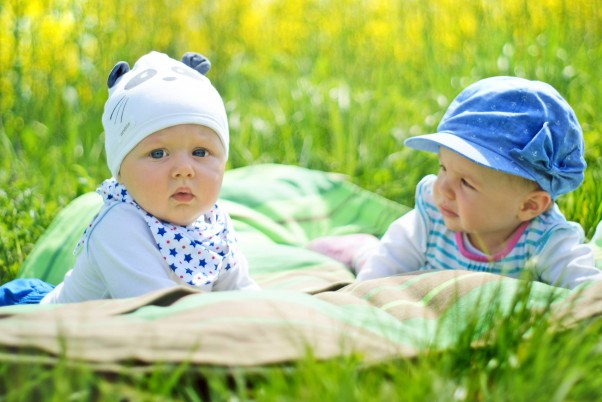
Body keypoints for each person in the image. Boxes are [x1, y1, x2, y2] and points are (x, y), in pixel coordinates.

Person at [1, 51, 258, 305]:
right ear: (120, 172)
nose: (183, 169)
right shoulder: (118, 226)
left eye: (200, 152)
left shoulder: (214, 224)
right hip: (35, 314)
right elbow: (160, 310)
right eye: (158, 153)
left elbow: (243, 293)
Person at [308, 76, 602, 289]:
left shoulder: (545, 239)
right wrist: (362, 294)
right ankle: (359, 248)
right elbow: (379, 277)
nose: (442, 189)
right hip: (413, 266)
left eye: (466, 184)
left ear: (529, 205)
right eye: (443, 168)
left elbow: (587, 288)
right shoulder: (431, 217)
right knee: (376, 258)